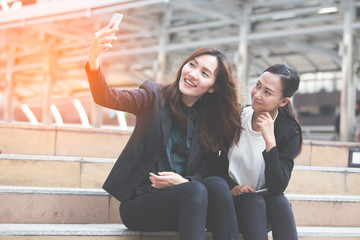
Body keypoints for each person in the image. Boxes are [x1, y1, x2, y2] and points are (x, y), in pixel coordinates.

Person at [85, 21, 242, 240]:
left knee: (214, 184)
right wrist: (93, 59)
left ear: (213, 87)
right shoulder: (152, 96)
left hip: (185, 203)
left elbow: (204, 171)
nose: (193, 74)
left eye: (205, 73)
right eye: (192, 64)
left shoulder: (209, 122)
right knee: (196, 190)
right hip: (141, 204)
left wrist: (183, 182)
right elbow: (106, 97)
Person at [210, 64, 302, 240]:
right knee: (255, 202)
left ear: (283, 101)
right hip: (231, 202)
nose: (257, 94)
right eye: (258, 85)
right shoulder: (237, 115)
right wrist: (230, 187)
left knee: (281, 202)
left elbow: (277, 187)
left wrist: (270, 141)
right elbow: (213, 160)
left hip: (264, 207)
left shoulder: (289, 130)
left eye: (267, 92)